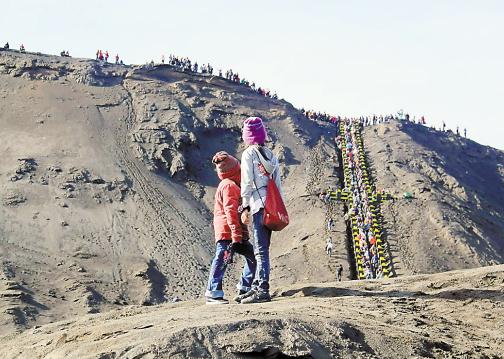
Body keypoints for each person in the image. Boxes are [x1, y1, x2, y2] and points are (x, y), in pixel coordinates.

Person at [238, 117, 284, 304]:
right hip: (271, 205)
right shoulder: (271, 155)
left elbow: (247, 181)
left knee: (260, 249)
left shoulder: (249, 154)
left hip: (257, 204)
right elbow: (278, 184)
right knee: (263, 247)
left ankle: (262, 288)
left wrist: (245, 205)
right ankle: (257, 284)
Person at [205, 151, 257, 305]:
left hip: (233, 233)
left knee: (253, 258)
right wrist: (236, 235)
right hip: (229, 234)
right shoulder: (229, 186)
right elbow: (231, 211)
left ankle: (244, 288)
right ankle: (213, 293)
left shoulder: (229, 185)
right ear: (235, 170)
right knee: (222, 259)